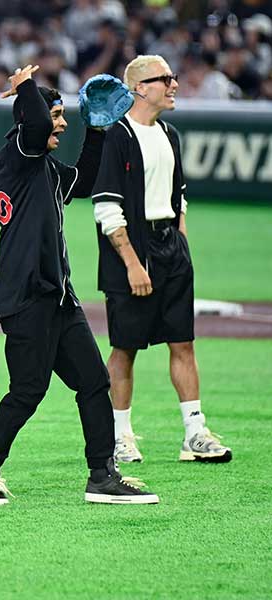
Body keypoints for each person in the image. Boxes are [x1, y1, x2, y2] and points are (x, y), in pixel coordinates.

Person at [0, 65, 160, 505]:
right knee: (28, 390)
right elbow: (34, 122)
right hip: (25, 297)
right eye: (57, 115)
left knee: (94, 382)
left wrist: (95, 132)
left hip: (58, 298)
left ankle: (101, 475)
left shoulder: (46, 167)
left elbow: (86, 180)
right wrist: (26, 88)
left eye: (63, 115)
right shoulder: (18, 154)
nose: (61, 122)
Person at [91, 55, 232, 464]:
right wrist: (133, 263)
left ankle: (194, 433)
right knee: (125, 347)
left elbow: (178, 193)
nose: (173, 85)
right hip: (134, 252)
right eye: (163, 79)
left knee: (183, 343)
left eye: (172, 77)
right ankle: (120, 435)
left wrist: (180, 242)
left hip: (170, 249)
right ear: (139, 88)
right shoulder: (115, 136)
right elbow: (106, 207)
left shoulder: (170, 133)